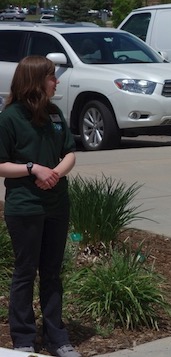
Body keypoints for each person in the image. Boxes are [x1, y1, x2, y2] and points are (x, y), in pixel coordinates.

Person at [0, 56, 80, 357]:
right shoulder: (9, 118)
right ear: (35, 81)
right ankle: (23, 338)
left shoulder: (55, 114)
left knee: (52, 272)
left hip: (57, 204)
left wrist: (56, 172)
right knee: (25, 272)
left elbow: (70, 152)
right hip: (25, 208)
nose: (56, 81)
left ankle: (57, 337)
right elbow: (1, 165)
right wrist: (33, 168)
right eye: (50, 76)